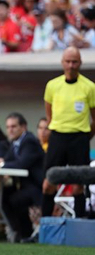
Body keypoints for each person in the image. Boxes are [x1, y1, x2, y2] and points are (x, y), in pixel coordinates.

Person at [42, 47, 95, 219]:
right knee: (49, 183)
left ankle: (79, 226)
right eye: (68, 61)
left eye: (75, 62)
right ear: (62, 63)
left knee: (78, 184)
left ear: (80, 63)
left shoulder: (89, 87)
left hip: (79, 138)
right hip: (58, 137)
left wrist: (85, 137)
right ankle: (45, 225)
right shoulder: (52, 85)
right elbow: (49, 115)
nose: (71, 65)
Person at [0, 113, 45, 242]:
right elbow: (8, 160)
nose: (10, 130)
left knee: (11, 199)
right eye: (8, 127)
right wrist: (0, 161)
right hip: (25, 186)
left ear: (23, 127)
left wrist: (3, 164)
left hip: (38, 187)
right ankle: (21, 233)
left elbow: (22, 164)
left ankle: (22, 234)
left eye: (13, 126)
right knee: (1, 196)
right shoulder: (15, 142)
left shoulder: (29, 141)